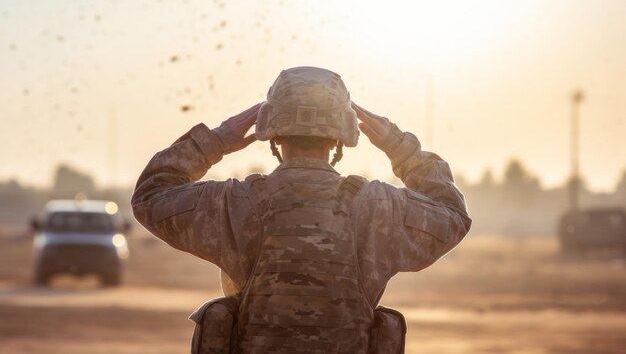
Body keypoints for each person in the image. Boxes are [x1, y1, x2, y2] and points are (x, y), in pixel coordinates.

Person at [132, 66, 471, 354]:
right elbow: (452, 214)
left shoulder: (236, 202)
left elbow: (151, 194)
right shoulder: (377, 206)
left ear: (272, 135)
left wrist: (217, 140)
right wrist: (401, 147)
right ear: (340, 137)